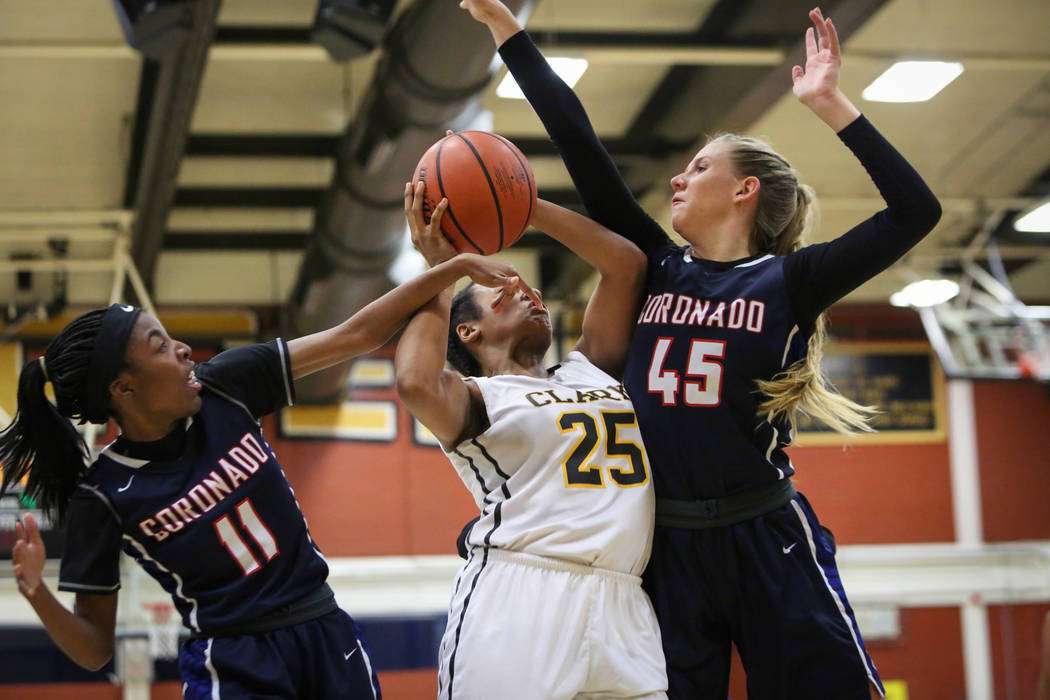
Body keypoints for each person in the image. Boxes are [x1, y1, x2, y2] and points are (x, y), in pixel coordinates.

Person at [460, 2, 943, 698]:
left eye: (698, 167)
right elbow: (580, 144)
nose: (678, 180)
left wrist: (831, 104)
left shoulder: (792, 282)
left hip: (765, 535)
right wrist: (508, 32)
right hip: (669, 546)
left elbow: (915, 212)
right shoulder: (656, 265)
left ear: (744, 190)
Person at [1, 251, 526, 700]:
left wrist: (447, 267)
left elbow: (356, 334)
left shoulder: (224, 386)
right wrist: (36, 593)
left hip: (323, 630)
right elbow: (94, 650)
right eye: (159, 345)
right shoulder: (104, 493)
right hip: (234, 660)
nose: (183, 348)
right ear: (124, 389)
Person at [395, 182, 667, 699]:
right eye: (504, 292)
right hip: (522, 596)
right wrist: (443, 271)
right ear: (469, 333)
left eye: (533, 291)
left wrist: (521, 205)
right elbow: (413, 381)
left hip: (624, 598)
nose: (528, 293)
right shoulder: (477, 398)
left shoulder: (590, 372)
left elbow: (626, 264)